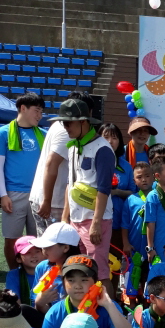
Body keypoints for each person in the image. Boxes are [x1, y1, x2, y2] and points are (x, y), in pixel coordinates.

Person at [55, 98, 115, 286]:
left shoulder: (103, 148)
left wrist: (96, 223)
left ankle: (106, 306)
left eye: (68, 123)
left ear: (83, 122)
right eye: (63, 123)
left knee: (99, 272)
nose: (65, 127)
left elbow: (104, 188)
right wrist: (65, 218)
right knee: (78, 270)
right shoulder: (73, 146)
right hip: (75, 219)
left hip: (96, 220)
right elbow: (70, 183)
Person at [29, 90, 92, 236]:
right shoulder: (67, 130)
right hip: (53, 203)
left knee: (46, 244)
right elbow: (52, 164)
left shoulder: (59, 125)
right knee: (56, 245)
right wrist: (47, 200)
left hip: (45, 199)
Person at [0, 92, 46, 268]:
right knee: (11, 240)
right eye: (36, 110)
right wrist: (3, 195)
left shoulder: (44, 134)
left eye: (41, 112)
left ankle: (36, 276)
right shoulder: (4, 133)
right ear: (23, 108)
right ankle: (15, 275)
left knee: (39, 240)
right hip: (13, 194)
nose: (39, 115)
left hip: (38, 195)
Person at [100, 122, 135, 255]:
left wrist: (116, 192)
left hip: (119, 222)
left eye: (114, 138)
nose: (110, 141)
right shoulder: (93, 162)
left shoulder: (126, 166)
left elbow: (133, 192)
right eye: (106, 137)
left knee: (116, 260)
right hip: (97, 221)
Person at [121, 160, 154, 301]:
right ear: (134, 180)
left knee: (150, 277)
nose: (144, 179)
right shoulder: (131, 200)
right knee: (132, 276)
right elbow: (125, 224)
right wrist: (126, 243)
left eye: (147, 176)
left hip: (152, 246)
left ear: (153, 177)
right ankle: (131, 305)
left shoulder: (158, 198)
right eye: (139, 177)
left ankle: (148, 305)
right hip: (134, 246)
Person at [6, 235, 42, 307]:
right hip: (25, 312)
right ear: (18, 259)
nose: (34, 255)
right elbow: (16, 304)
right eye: (28, 252)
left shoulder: (51, 271)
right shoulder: (14, 275)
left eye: (37, 251)